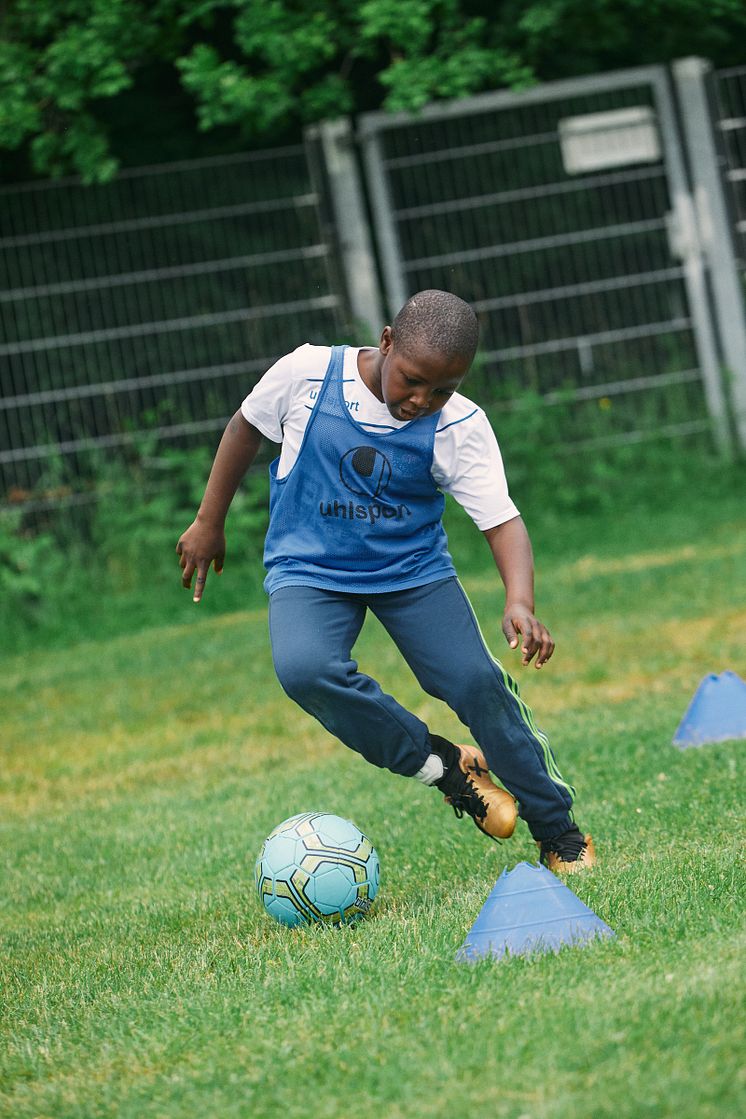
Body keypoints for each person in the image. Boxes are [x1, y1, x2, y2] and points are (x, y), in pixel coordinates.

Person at [176, 290, 596, 872]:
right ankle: (447, 769)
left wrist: (519, 602)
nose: (421, 400)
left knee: (476, 682)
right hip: (311, 569)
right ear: (387, 340)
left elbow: (502, 521)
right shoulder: (306, 374)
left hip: (411, 574)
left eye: (442, 389)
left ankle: (557, 829)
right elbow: (245, 429)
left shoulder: (459, 425)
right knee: (305, 670)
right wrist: (208, 521)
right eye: (412, 380)